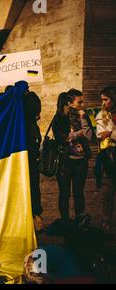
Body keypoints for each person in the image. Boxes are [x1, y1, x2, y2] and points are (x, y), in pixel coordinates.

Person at [53, 89, 93, 224]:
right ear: (69, 103)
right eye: (79, 102)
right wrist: (77, 134)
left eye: (83, 101)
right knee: (64, 193)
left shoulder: (83, 116)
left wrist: (83, 121)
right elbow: (61, 138)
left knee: (79, 193)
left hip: (81, 161)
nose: (82, 105)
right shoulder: (60, 117)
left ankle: (79, 221)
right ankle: (65, 222)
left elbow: (88, 136)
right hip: (65, 161)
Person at [95, 86, 116, 232]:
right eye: (102, 99)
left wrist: (111, 133)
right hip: (108, 157)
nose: (103, 103)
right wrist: (109, 133)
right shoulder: (101, 115)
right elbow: (100, 135)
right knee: (107, 190)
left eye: (106, 99)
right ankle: (105, 221)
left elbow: (107, 134)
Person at [23, 85, 43, 232]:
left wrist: (26, 94)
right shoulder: (9, 96)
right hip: (17, 153)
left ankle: (36, 216)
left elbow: (35, 109)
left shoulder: (30, 98)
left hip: (30, 153)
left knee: (33, 186)